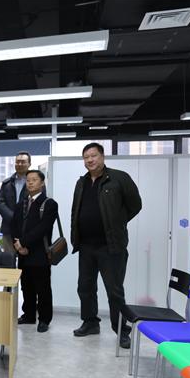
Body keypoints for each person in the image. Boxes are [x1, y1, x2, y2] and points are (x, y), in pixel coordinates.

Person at [71, 142, 142, 349]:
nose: (90, 160)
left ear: (102, 157)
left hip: (111, 246)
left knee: (114, 291)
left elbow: (135, 205)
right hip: (86, 246)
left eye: (93, 156)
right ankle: (90, 322)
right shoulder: (81, 182)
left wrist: (116, 223)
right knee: (85, 287)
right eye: (86, 157)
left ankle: (121, 330)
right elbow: (76, 210)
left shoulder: (119, 178)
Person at [12, 170, 58, 333]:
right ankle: (29, 315)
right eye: (28, 180)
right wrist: (18, 245)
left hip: (39, 253)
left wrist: (24, 243)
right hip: (22, 253)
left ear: (42, 183)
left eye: (34, 180)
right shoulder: (21, 204)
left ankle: (44, 319)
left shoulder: (49, 204)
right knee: (26, 286)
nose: (30, 182)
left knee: (43, 288)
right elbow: (14, 226)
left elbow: (42, 228)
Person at [0, 152, 31, 253]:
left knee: (26, 259)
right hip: (8, 228)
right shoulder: (6, 183)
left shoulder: (34, 182)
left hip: (27, 229)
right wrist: (13, 218)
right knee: (8, 259)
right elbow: (0, 202)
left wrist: (21, 219)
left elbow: (38, 202)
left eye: (23, 162)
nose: (19, 164)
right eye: (17, 162)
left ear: (29, 164)